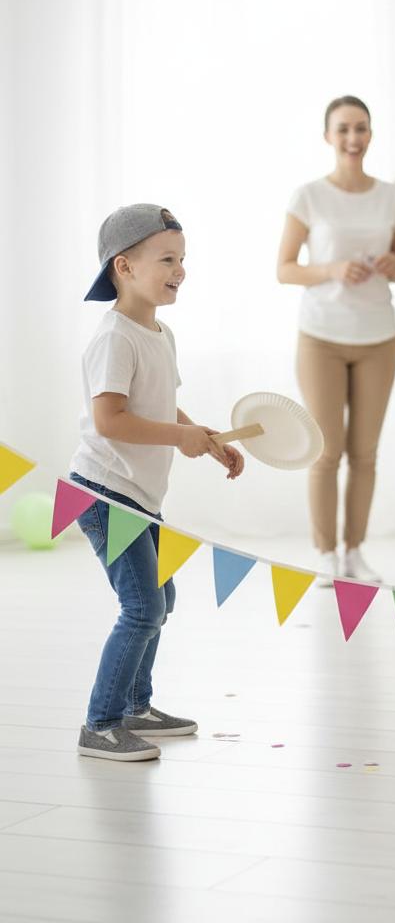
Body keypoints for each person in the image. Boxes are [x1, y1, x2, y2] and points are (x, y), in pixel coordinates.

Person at [71, 204, 244, 762]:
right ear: (124, 266)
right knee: (142, 607)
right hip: (104, 492)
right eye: (167, 259)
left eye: (183, 259)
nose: (181, 270)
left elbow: (162, 404)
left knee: (161, 597)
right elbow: (109, 421)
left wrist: (205, 437)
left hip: (137, 495)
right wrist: (176, 438)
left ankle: (137, 708)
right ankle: (100, 724)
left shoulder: (158, 333)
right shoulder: (115, 337)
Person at [277, 96, 395, 584]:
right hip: (322, 338)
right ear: (328, 136)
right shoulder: (309, 195)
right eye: (343, 130)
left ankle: (355, 552)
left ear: (371, 134)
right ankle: (325, 553)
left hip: (378, 337)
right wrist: (332, 268)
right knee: (325, 450)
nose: (353, 139)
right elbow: (284, 269)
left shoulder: (393, 196)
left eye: (361, 129)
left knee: (365, 453)